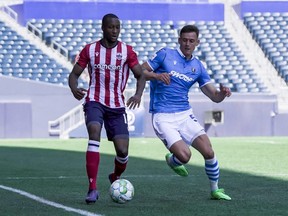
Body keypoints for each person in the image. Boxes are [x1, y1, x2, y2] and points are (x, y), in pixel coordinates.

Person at [142, 25, 232, 200]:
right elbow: (140, 71)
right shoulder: (165, 54)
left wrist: (222, 94)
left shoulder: (197, 66)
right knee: (185, 156)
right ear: (179, 40)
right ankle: (172, 160)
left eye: (191, 41)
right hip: (163, 116)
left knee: (209, 151)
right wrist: (156, 76)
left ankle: (215, 190)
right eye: (184, 40)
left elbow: (214, 96)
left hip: (184, 114)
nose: (187, 44)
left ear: (197, 42)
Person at [68, 13, 146, 204]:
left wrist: (137, 94)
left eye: (118, 27)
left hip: (117, 106)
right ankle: (92, 188)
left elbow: (140, 75)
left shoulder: (127, 51)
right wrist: (73, 88)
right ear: (103, 28)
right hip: (95, 100)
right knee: (94, 133)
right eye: (111, 27)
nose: (115, 31)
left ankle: (115, 176)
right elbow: (74, 74)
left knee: (122, 151)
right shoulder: (90, 49)